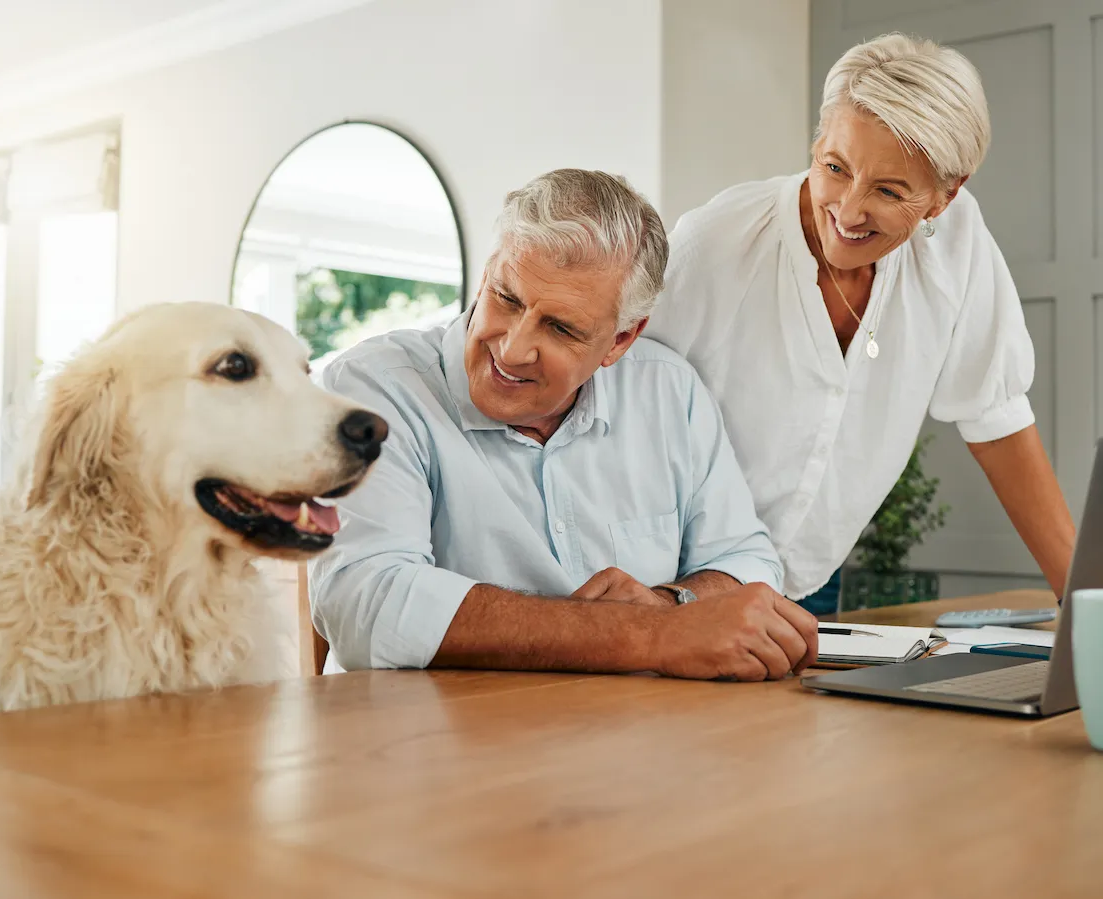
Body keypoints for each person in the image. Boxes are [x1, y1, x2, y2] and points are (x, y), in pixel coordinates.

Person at [309, 169, 819, 682]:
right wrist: (648, 635)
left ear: (621, 340)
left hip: (627, 733)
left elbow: (749, 560)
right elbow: (364, 604)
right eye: (506, 299)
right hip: (421, 744)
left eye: (560, 328)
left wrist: (671, 601)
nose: (511, 349)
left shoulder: (669, 391)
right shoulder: (373, 387)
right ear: (487, 275)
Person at [644, 33, 1076, 607]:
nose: (848, 211)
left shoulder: (956, 244)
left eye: (889, 190)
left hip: (811, 581)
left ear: (945, 197)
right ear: (817, 139)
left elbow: (995, 416)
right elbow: (622, 411)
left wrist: (1089, 602)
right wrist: (658, 607)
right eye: (835, 166)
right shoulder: (716, 244)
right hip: (675, 582)